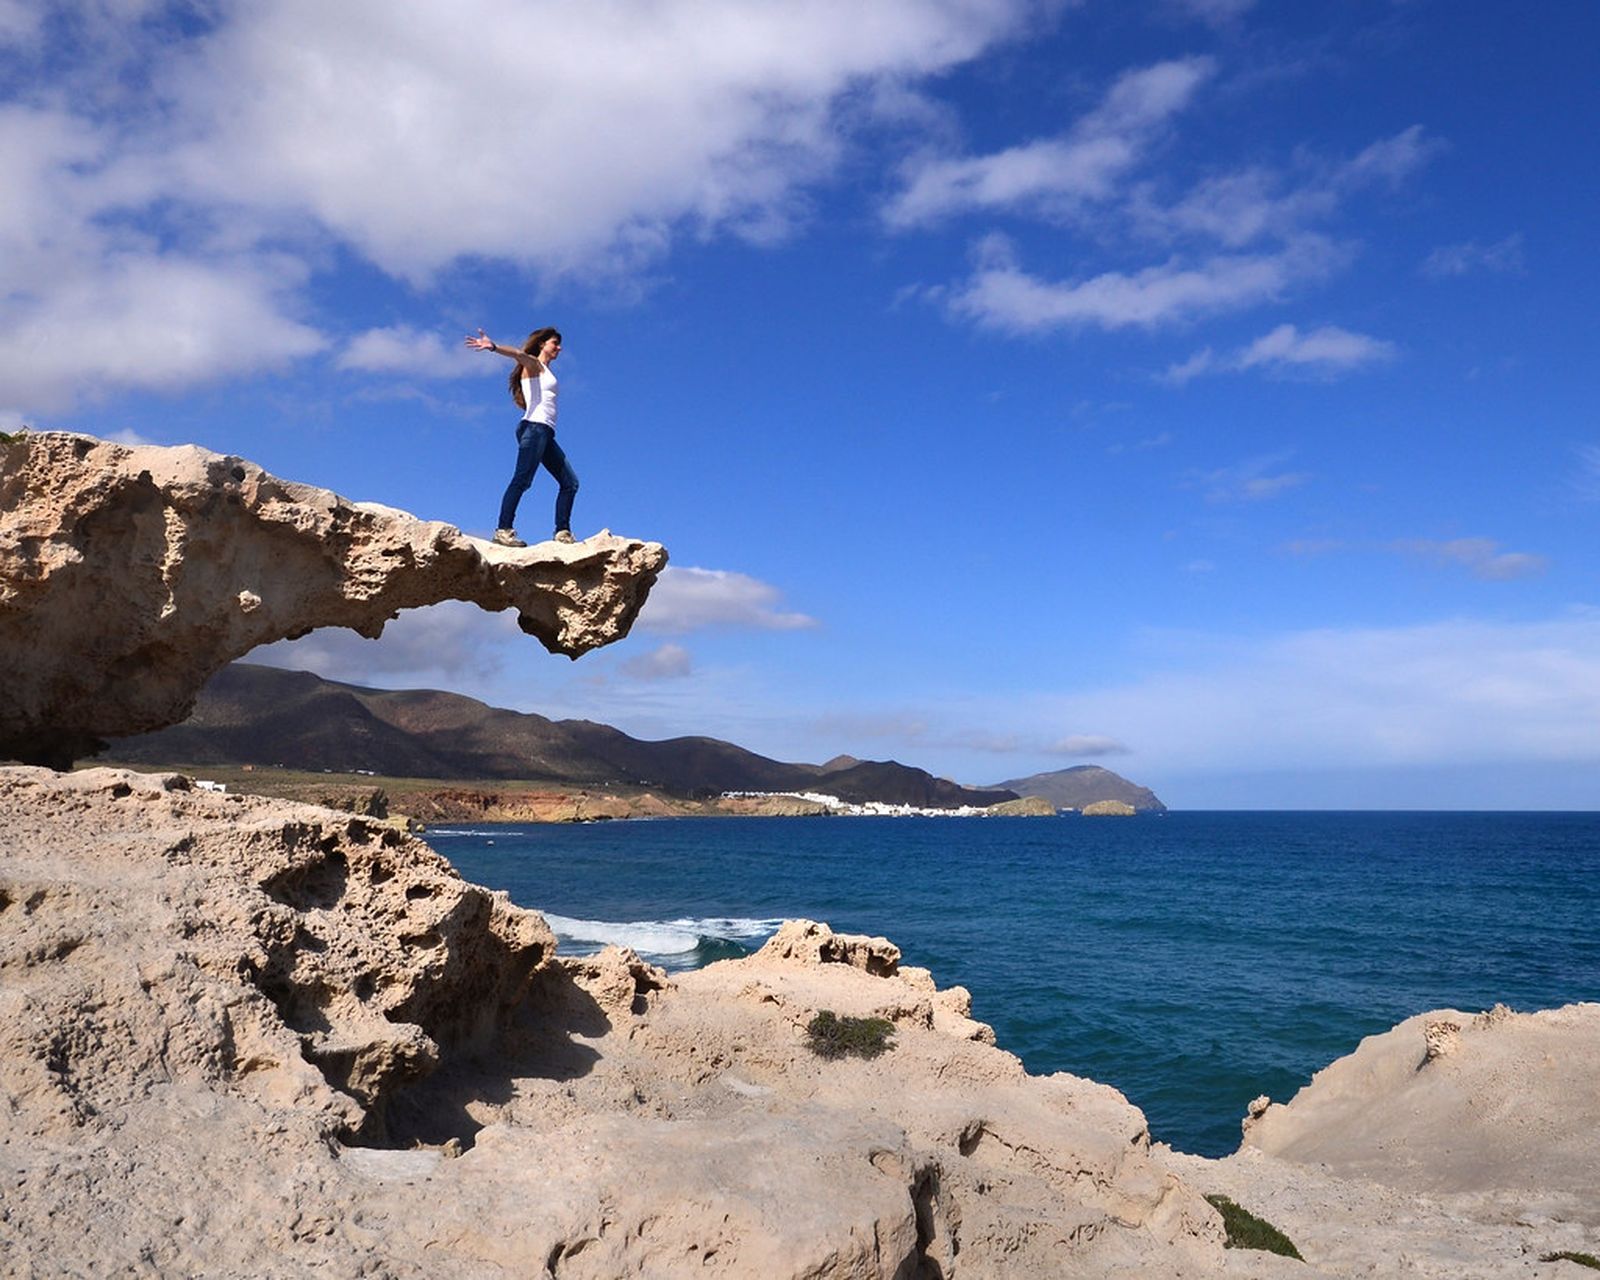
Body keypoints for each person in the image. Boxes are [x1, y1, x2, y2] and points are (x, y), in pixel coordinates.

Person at [464, 325, 579, 547]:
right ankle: (503, 529)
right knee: (522, 479)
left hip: (545, 432)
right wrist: (493, 347)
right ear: (542, 344)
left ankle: (562, 532)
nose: (559, 348)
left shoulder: (547, 371)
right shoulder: (535, 365)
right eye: (555, 343)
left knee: (570, 482)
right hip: (534, 428)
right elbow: (518, 354)